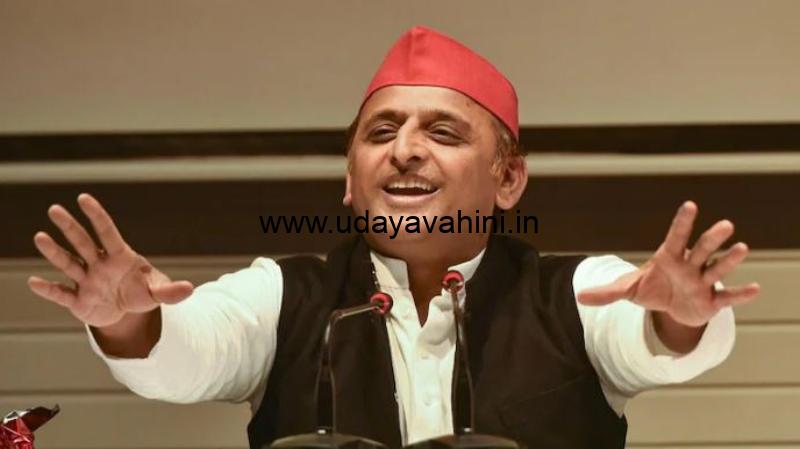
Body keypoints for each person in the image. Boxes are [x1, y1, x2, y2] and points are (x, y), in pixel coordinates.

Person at [27, 26, 760, 449]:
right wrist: (128, 321)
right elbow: (190, 350)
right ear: (350, 180)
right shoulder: (285, 295)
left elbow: (646, 338)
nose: (405, 150)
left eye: (442, 132)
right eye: (382, 133)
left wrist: (678, 318)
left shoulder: (574, 292)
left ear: (508, 179)